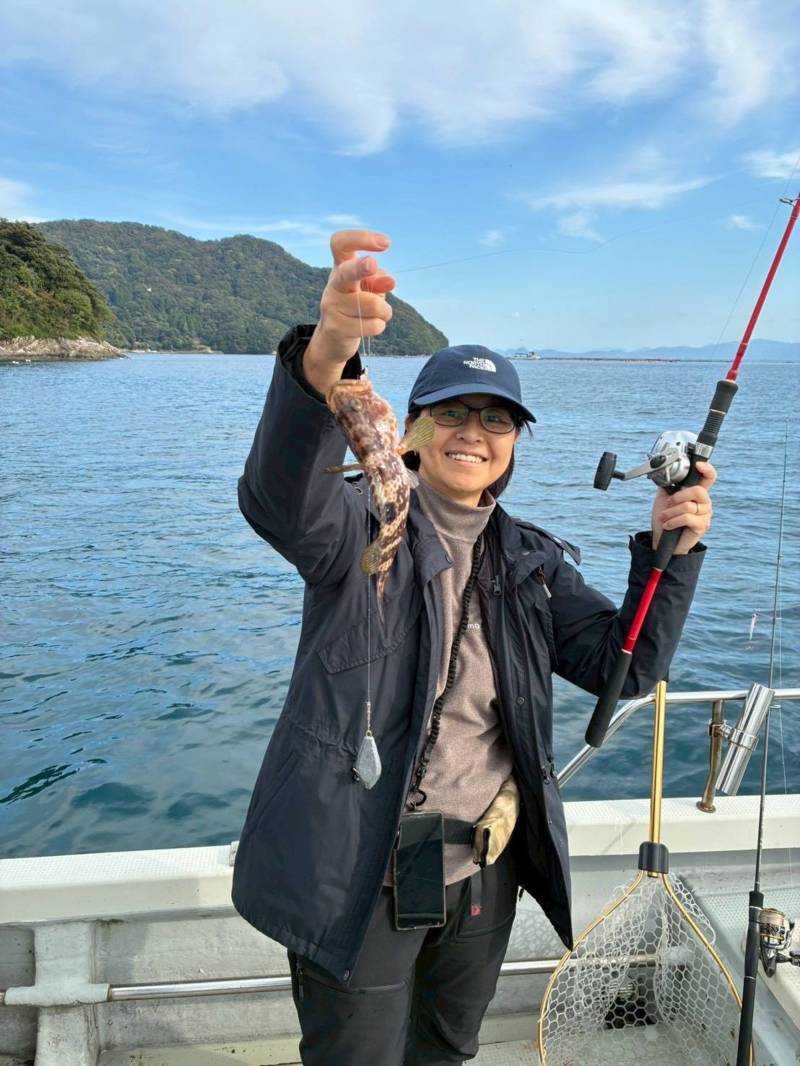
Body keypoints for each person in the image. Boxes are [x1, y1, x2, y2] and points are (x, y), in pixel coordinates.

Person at [231, 230, 715, 1065]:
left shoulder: (530, 561)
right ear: (409, 428)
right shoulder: (358, 525)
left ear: (515, 446)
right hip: (361, 869)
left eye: (496, 420)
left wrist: (670, 553)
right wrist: (327, 359)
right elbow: (280, 498)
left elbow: (623, 666)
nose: (474, 431)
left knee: (448, 1051)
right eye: (451, 411)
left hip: (482, 867)